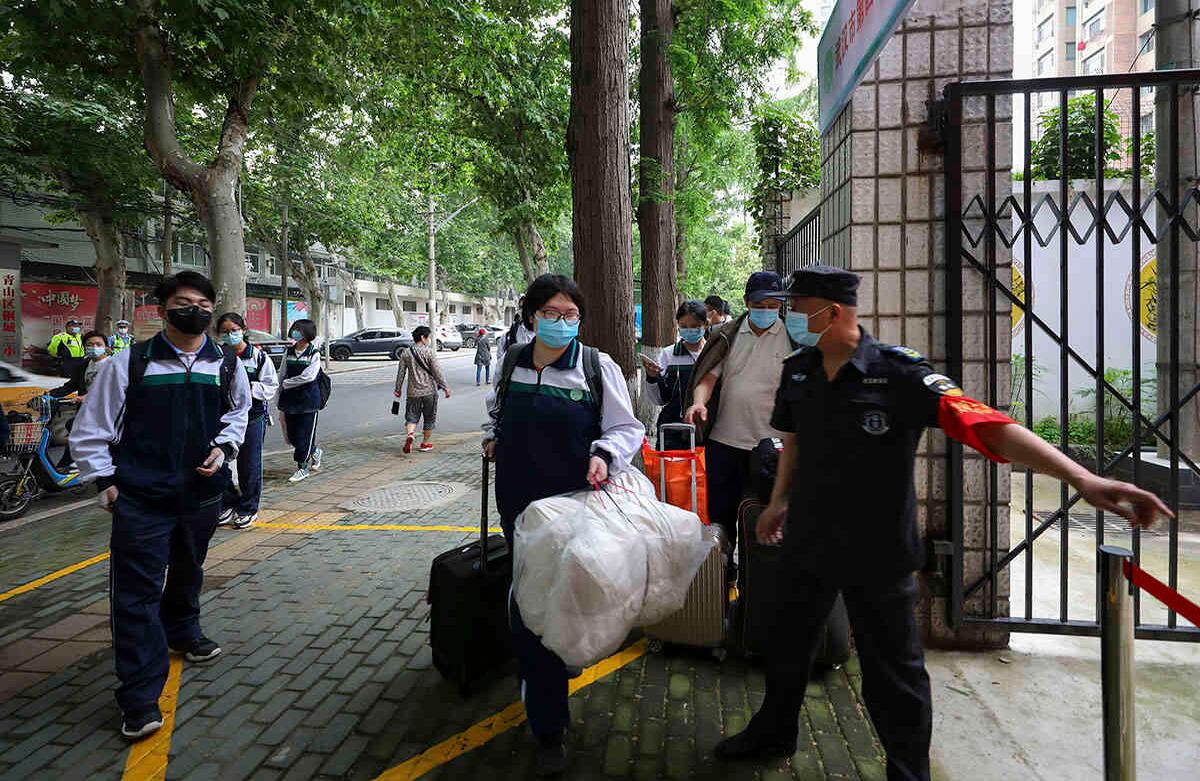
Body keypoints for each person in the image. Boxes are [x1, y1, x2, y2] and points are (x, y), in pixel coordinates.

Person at [713, 265, 1173, 780]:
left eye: (797, 312)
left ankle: (909, 774)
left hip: (878, 553)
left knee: (893, 678)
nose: (790, 320)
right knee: (787, 645)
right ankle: (773, 733)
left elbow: (986, 426)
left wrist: (1080, 478)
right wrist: (779, 500)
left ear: (832, 311)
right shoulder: (800, 369)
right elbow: (793, 436)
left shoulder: (899, 373)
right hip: (808, 542)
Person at [69, 270, 250, 741]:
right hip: (141, 499)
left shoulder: (225, 364)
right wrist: (103, 481)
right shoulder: (129, 364)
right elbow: (91, 430)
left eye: (204, 305)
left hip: (201, 497)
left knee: (190, 569)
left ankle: (184, 630)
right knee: (136, 593)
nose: (196, 311)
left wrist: (223, 449)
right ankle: (139, 695)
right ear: (163, 308)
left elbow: (237, 414)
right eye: (185, 302)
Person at [482, 274, 643, 778]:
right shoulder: (510, 362)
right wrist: (492, 439)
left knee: (564, 595)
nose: (562, 322)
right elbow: (496, 414)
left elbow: (626, 428)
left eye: (571, 314)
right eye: (551, 313)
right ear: (531, 316)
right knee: (530, 602)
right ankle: (549, 724)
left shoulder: (596, 366)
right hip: (519, 504)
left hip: (575, 503)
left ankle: (556, 661)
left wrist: (605, 454)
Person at [683, 271, 794, 580]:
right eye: (762, 303)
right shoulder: (726, 336)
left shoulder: (792, 338)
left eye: (775, 304)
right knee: (721, 517)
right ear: (747, 302)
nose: (768, 310)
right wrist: (699, 402)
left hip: (771, 451)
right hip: (725, 445)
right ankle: (722, 579)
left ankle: (755, 584)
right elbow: (708, 376)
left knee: (762, 520)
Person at [215, 313, 279, 529]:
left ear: (243, 330)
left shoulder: (258, 357)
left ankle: (248, 507)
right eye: (225, 331)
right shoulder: (217, 357)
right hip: (223, 418)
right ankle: (228, 501)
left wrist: (245, 388)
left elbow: (271, 386)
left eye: (234, 330)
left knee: (249, 465)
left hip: (253, 417)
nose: (230, 335)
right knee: (218, 463)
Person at [642, 300, 706, 449]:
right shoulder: (668, 354)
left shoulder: (713, 354)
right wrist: (652, 377)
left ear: (705, 325)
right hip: (673, 432)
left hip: (707, 432)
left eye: (695, 326)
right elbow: (659, 399)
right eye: (684, 326)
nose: (689, 330)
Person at [49, 330, 110, 471]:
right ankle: (64, 468)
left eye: (98, 344)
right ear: (84, 347)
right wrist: (49, 395)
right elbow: (70, 386)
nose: (94, 347)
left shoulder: (113, 365)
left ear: (106, 347)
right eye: (89, 345)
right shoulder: (84, 366)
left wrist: (88, 397)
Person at [278, 318, 323, 483]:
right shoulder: (288, 351)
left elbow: (309, 377)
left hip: (308, 401)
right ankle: (315, 452)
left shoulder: (314, 353)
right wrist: (278, 397)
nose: (295, 332)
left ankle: (302, 467)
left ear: (307, 333)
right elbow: (282, 374)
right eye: (294, 329)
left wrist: (287, 383)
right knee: (293, 436)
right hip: (289, 401)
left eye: (298, 330)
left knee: (304, 435)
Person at [394, 325, 451, 453]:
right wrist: (445, 387)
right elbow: (437, 372)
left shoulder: (406, 353)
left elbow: (401, 374)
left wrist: (398, 389)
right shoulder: (429, 352)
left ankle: (410, 435)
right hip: (429, 392)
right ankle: (425, 444)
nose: (429, 340)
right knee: (429, 418)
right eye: (428, 337)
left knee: (411, 417)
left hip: (413, 392)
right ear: (422, 338)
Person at [496, 298, 535, 371]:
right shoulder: (508, 336)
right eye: (521, 307)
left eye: (526, 307)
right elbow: (501, 362)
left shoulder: (543, 334)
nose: (523, 310)